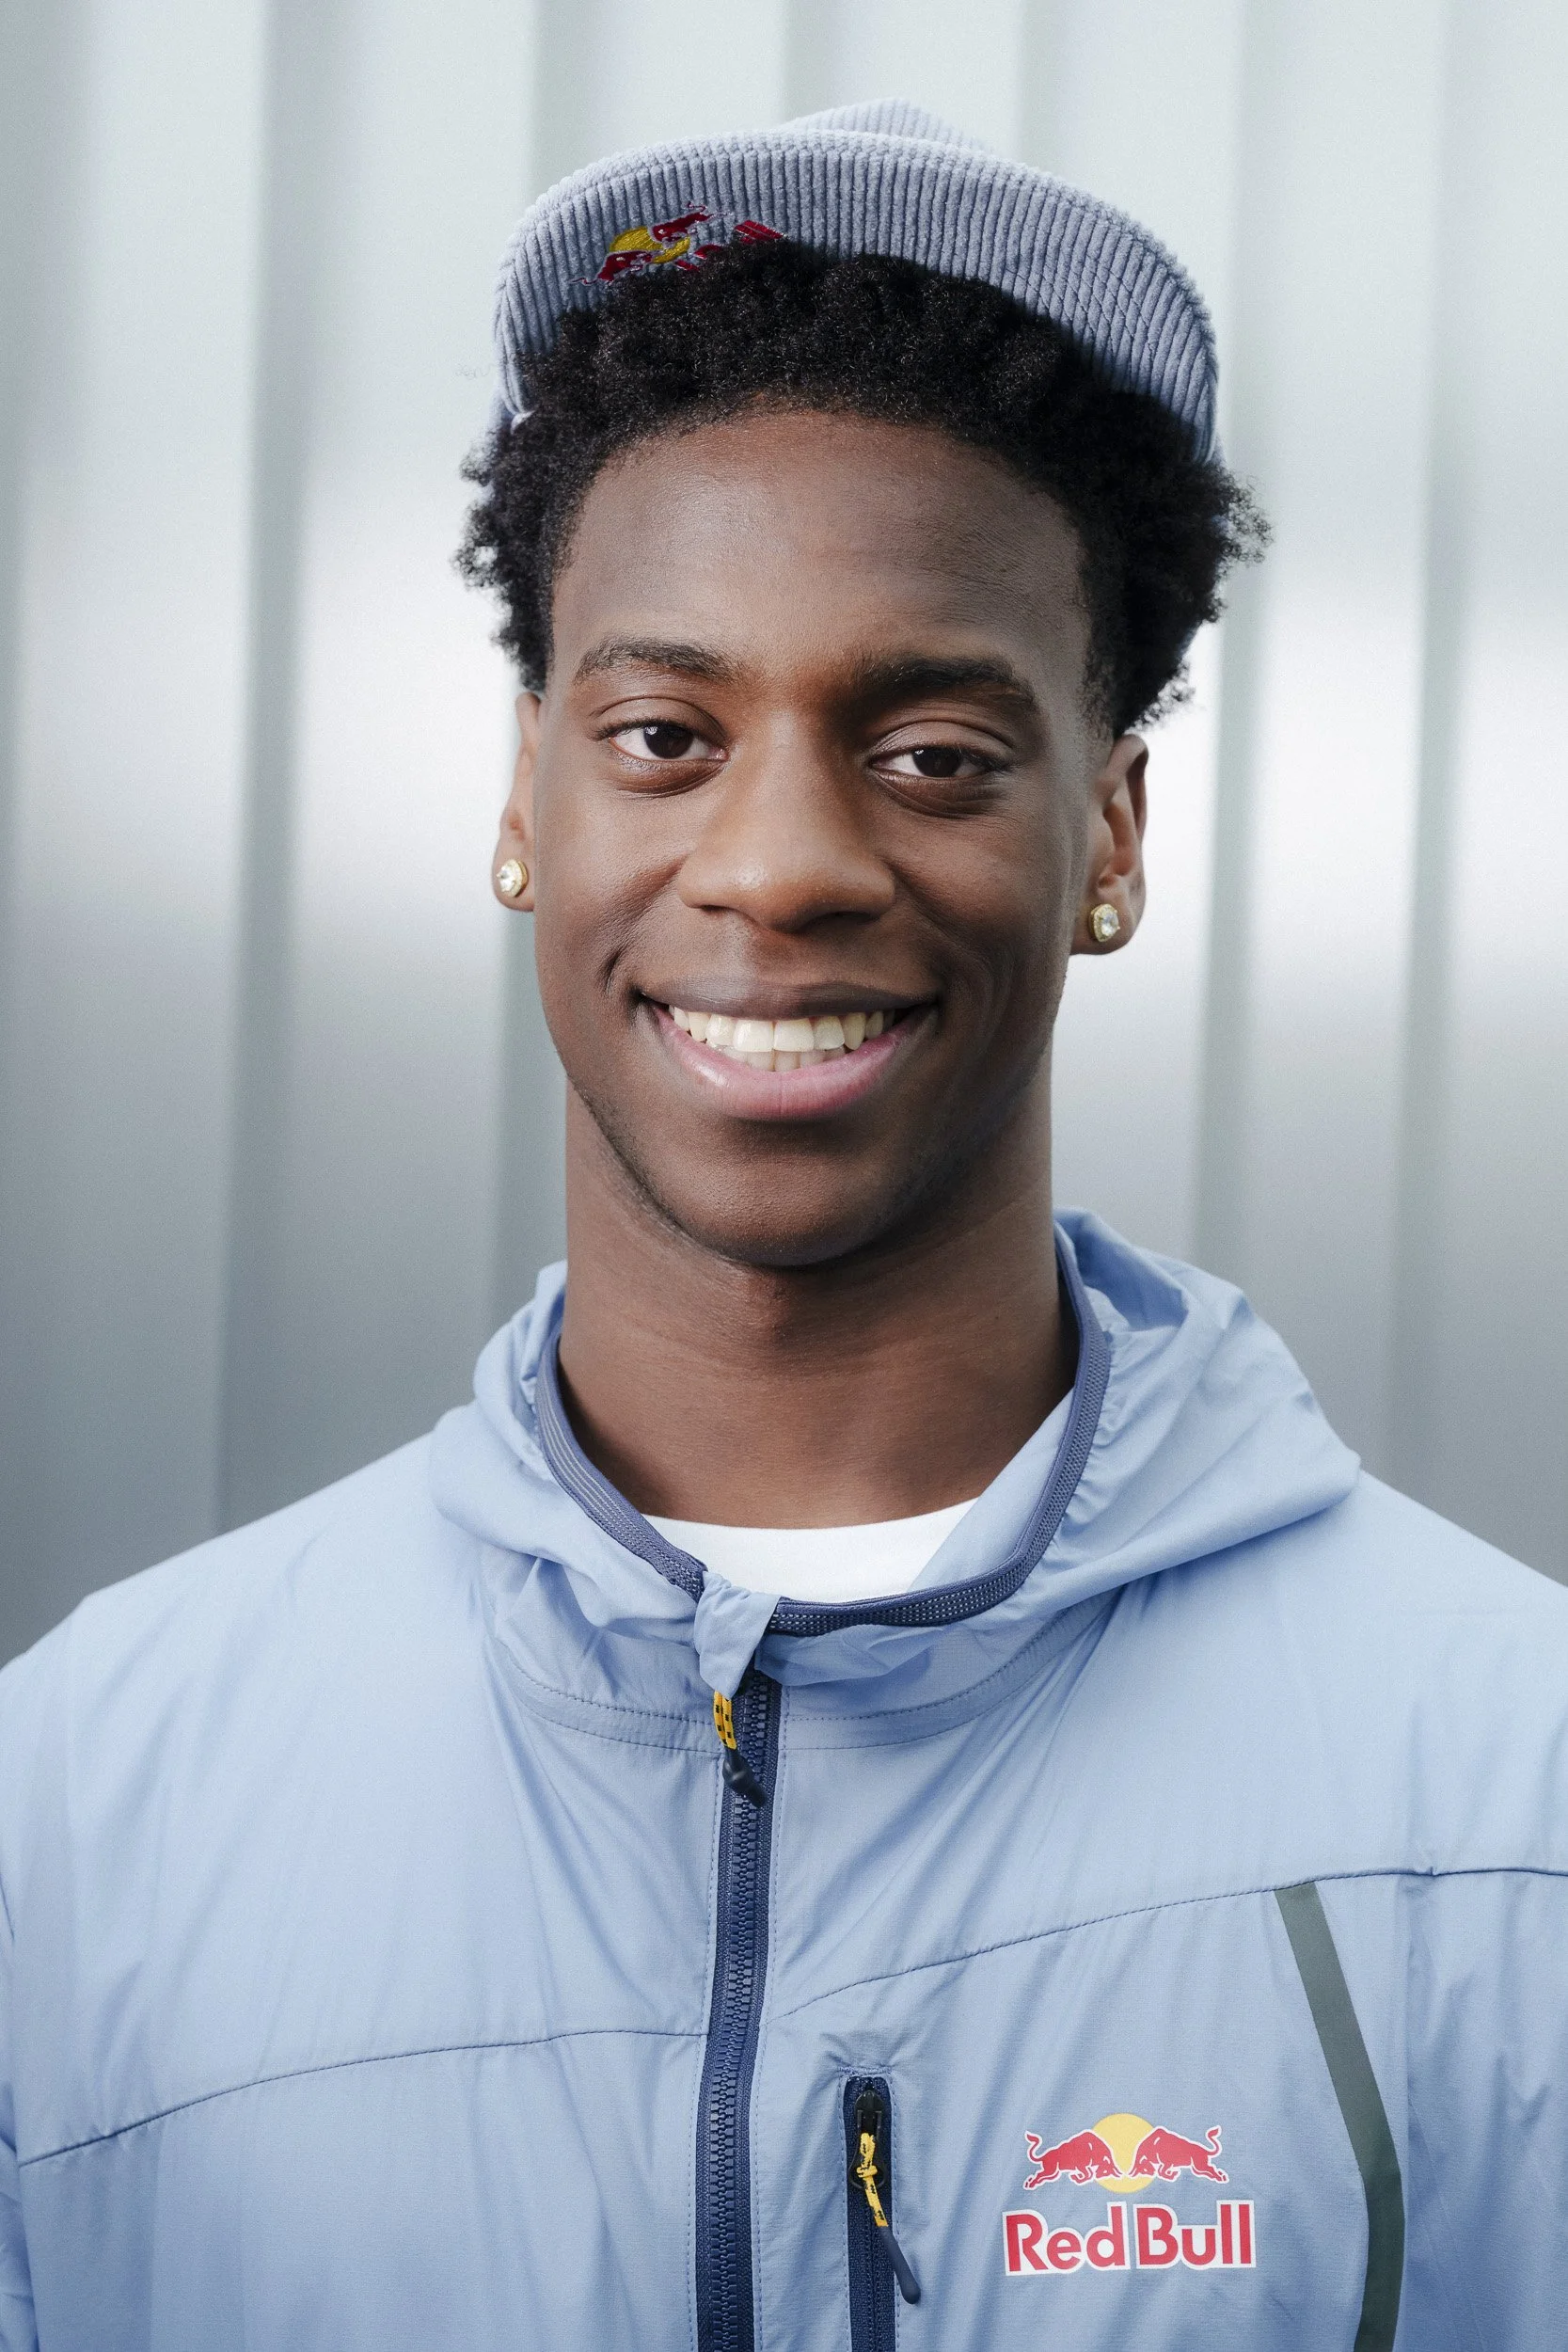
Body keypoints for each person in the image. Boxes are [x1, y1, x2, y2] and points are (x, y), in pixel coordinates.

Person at [1, 99, 1564, 2352]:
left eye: (931, 750)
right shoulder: (86, 1805)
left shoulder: (1504, 1789)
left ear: (1107, 833)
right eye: (660, 732)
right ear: (521, 794)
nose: (779, 862)